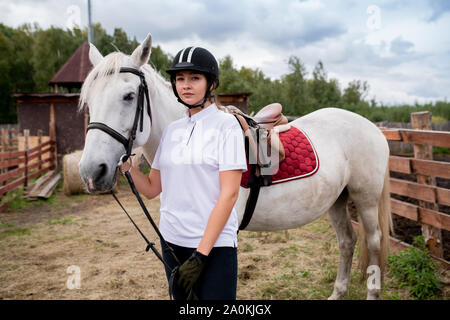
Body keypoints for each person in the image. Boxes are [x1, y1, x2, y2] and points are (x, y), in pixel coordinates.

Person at [121, 46, 247, 300]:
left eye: (194, 78)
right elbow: (151, 189)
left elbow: (229, 195)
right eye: (180, 79)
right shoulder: (171, 131)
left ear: (211, 84)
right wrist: (126, 168)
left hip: (214, 248)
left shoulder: (227, 127)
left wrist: (200, 255)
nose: (186, 85)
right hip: (171, 243)